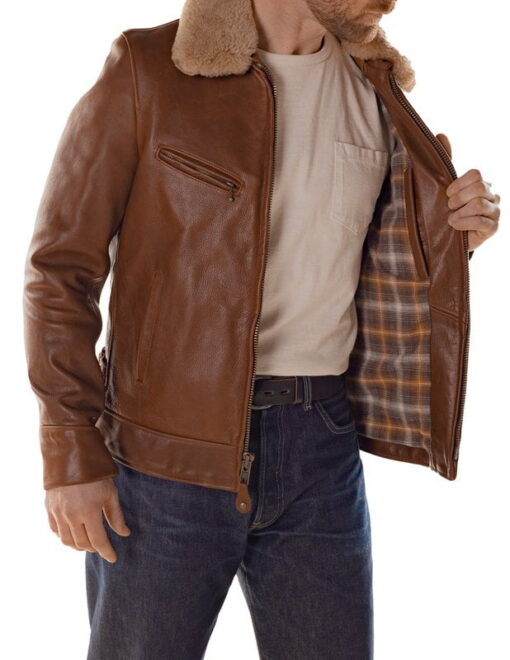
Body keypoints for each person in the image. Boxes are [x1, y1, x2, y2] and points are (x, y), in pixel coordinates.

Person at [23, 1, 500, 658]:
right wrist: (68, 452)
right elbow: (59, 269)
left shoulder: (375, 88)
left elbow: (378, 257)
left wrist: (452, 238)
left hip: (321, 447)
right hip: (163, 453)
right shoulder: (147, 69)